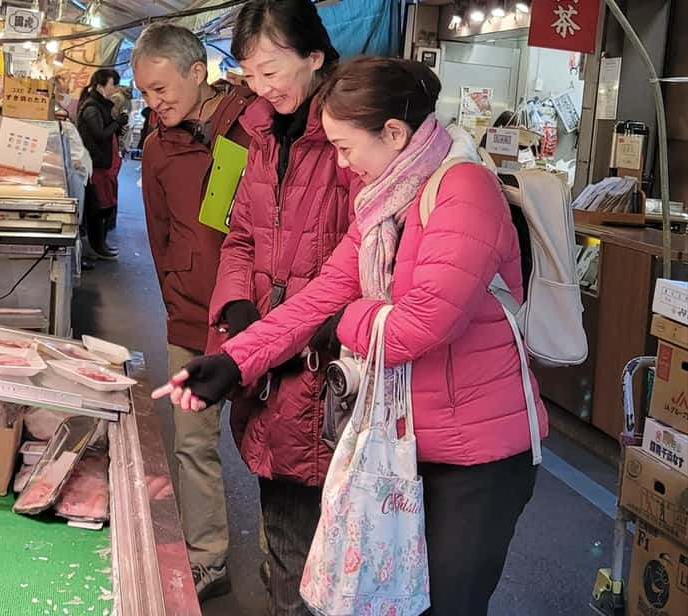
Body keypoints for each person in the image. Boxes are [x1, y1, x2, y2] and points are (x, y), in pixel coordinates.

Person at [158, 55, 545, 616]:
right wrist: (235, 361)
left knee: (448, 606)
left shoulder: (466, 191)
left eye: (345, 147)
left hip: (478, 457)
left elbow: (420, 324)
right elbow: (321, 294)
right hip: (403, 443)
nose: (341, 165)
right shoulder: (384, 200)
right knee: (387, 599)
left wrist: (343, 322)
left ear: (393, 133)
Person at [145, 1, 355, 613]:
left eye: (269, 71)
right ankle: (215, 561)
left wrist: (259, 333)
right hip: (240, 335)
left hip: (324, 359)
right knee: (269, 498)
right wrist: (235, 303)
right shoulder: (259, 133)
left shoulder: (328, 136)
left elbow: (352, 268)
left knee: (322, 540)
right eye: (249, 74)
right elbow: (236, 231)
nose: (258, 88)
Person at [131, 22, 256, 601]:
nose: (154, 103)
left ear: (197, 73)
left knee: (284, 449)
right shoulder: (158, 147)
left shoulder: (254, 127)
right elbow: (158, 237)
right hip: (190, 321)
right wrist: (179, 298)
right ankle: (207, 559)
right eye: (146, 93)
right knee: (191, 444)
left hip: (259, 321)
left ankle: (300, 568)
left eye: (162, 89)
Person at [76, 69, 127, 261]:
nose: (115, 88)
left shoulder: (101, 105)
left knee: (102, 207)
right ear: (100, 85)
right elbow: (99, 134)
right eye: (113, 84)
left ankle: (100, 246)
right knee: (96, 209)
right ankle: (96, 248)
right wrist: (116, 123)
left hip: (101, 162)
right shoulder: (92, 107)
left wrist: (117, 126)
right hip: (95, 164)